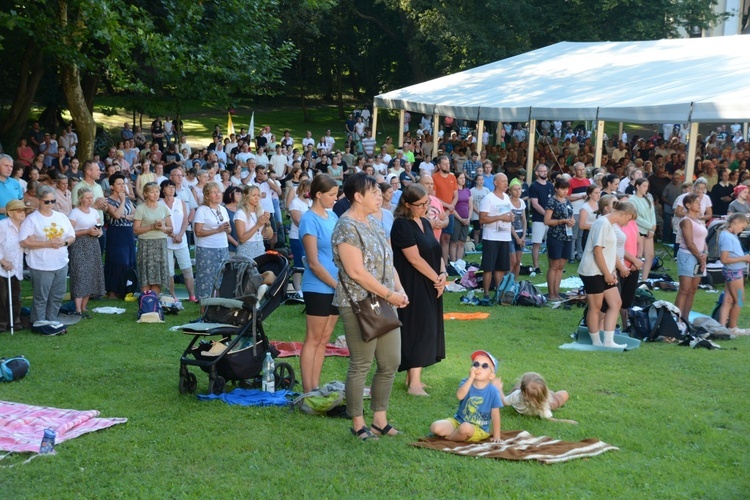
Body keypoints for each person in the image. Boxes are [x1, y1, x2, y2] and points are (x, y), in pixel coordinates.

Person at [332, 172, 409, 441]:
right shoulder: (346, 226)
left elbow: (389, 262)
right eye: (374, 191)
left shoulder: (375, 223)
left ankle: (380, 421)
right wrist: (390, 294)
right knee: (361, 364)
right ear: (357, 196)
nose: (380, 195)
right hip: (359, 304)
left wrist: (398, 289)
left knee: (390, 362)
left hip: (385, 300)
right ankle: (357, 423)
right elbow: (356, 272)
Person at [391, 184, 446, 397]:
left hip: (432, 282)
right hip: (414, 284)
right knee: (418, 329)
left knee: (429, 327)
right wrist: (436, 279)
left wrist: (442, 275)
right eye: (421, 204)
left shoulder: (424, 222)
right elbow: (414, 258)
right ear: (407, 204)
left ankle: (414, 379)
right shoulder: (401, 225)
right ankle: (413, 383)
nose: (425, 207)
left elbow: (435, 249)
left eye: (427, 203)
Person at [299, 174, 340, 393]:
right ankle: (308, 390)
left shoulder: (332, 216)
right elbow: (313, 263)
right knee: (313, 339)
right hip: (318, 287)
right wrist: (335, 285)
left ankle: (316, 386)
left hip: (335, 285)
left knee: (324, 339)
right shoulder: (309, 219)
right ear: (318, 194)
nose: (335, 199)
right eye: (331, 195)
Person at [578, 199, 637, 348]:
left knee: (616, 302)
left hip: (604, 271)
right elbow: (597, 251)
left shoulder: (609, 225)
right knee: (596, 307)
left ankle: (609, 341)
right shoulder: (602, 223)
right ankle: (596, 341)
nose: (626, 223)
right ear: (624, 214)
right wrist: (607, 273)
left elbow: (609, 252)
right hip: (593, 271)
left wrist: (612, 270)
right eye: (628, 219)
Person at [19, 185, 76, 323]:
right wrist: (46, 244)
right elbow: (23, 242)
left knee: (57, 295)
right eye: (47, 201)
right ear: (39, 200)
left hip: (61, 262)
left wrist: (63, 242)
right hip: (40, 264)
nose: (50, 204)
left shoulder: (61, 217)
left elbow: (71, 236)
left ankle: (51, 320)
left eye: (53, 201)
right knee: (41, 297)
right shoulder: (32, 219)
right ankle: (38, 322)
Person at [429, 350, 502, 443]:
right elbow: (459, 396)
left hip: (478, 429)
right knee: (435, 427)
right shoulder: (466, 382)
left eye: (484, 366)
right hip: (458, 422)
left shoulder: (493, 391)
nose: (479, 367)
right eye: (476, 364)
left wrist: (497, 436)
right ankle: (456, 436)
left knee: (465, 428)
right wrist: (471, 378)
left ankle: (447, 440)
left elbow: (495, 415)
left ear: (491, 376)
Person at [68, 188, 105, 317]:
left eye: (91, 197)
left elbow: (100, 228)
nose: (90, 200)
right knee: (80, 274)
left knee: (91, 273)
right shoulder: (74, 213)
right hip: (79, 245)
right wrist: (86, 232)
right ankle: (77, 308)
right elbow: (70, 232)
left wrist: (98, 233)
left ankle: (84, 306)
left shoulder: (94, 212)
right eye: (87, 198)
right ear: (80, 199)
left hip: (93, 245)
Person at [478, 173, 513, 305]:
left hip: (504, 236)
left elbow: (507, 213)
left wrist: (510, 217)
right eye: (503, 181)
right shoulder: (488, 198)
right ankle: (486, 293)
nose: (506, 184)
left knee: (501, 267)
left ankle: (498, 293)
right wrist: (500, 218)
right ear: (495, 183)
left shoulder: (506, 198)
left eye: (507, 181)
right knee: (488, 267)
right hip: (491, 237)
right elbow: (482, 219)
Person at [133, 182, 172, 295]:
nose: (155, 194)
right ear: (145, 194)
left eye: (157, 192)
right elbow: (136, 230)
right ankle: (145, 301)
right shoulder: (141, 209)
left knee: (158, 273)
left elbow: (171, 229)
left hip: (160, 243)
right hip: (145, 243)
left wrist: (163, 228)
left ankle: (154, 301)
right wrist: (152, 227)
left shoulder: (164, 208)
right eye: (152, 192)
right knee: (145, 272)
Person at [193, 182, 230, 302]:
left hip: (223, 247)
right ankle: (204, 305)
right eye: (214, 192)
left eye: (218, 192)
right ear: (207, 196)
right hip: (207, 248)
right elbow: (198, 232)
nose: (217, 194)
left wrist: (227, 229)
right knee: (206, 278)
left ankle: (218, 303)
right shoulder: (202, 210)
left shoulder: (223, 209)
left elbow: (228, 231)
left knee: (222, 277)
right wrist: (217, 230)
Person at [160, 180, 196, 301]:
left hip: (181, 239)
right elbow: (160, 223)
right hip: (166, 240)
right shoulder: (160, 204)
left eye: (173, 187)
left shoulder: (180, 202)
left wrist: (180, 235)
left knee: (187, 267)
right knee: (170, 270)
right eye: (168, 187)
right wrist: (172, 235)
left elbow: (186, 220)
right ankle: (172, 295)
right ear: (163, 189)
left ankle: (192, 295)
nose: (171, 189)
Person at [675, 193, 708, 322]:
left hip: (699, 256)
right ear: (688, 205)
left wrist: (705, 253)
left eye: (699, 202)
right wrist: (700, 256)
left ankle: (685, 318)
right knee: (684, 289)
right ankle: (676, 320)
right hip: (688, 256)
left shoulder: (699, 221)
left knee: (693, 290)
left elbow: (702, 239)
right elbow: (689, 242)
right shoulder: (686, 221)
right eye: (696, 202)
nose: (699, 204)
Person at [0, 200, 31, 331]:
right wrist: (2, 260)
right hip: (2, 266)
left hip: (16, 266)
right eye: (19, 210)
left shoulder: (25, 226)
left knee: (15, 296)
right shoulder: (2, 225)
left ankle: (15, 320)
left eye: (23, 210)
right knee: (1, 296)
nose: (22, 213)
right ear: (10, 213)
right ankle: (2, 323)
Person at [496, 372, 575, 424]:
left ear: (522, 391)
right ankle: (549, 393)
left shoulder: (516, 395)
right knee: (564, 393)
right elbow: (549, 419)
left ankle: (521, 386)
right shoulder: (543, 405)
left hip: (522, 396)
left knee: (516, 389)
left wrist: (499, 388)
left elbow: (503, 402)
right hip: (547, 401)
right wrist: (566, 421)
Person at [104, 173, 136, 299]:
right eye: (119, 184)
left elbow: (136, 215)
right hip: (116, 233)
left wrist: (125, 215)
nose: (122, 186)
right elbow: (116, 215)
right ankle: (113, 291)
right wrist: (122, 202)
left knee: (128, 260)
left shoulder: (128, 200)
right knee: (118, 260)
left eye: (123, 183)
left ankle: (125, 289)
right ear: (112, 186)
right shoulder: (108, 201)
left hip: (128, 232)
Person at [718, 213, 750, 335]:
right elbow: (724, 259)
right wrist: (744, 258)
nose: (741, 230)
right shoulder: (727, 237)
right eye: (742, 227)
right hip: (734, 272)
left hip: (733, 270)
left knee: (728, 299)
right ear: (735, 222)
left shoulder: (730, 234)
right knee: (740, 300)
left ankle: (721, 327)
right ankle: (733, 327)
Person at [544, 178, 574, 301]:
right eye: (562, 188)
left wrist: (572, 221)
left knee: (561, 266)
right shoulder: (552, 202)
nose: (565, 191)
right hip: (555, 236)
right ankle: (551, 293)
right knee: (554, 265)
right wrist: (561, 221)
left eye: (566, 189)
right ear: (556, 189)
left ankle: (557, 292)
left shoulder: (567, 202)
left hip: (567, 236)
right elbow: (547, 221)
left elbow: (570, 216)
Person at [529, 164, 554, 274]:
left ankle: (552, 266)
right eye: (542, 171)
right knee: (537, 243)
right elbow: (535, 204)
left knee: (551, 243)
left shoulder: (550, 186)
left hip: (550, 219)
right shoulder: (534, 186)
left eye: (545, 170)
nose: (544, 172)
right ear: (537, 173)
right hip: (538, 219)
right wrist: (546, 214)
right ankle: (536, 266)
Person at [288, 179, 312, 296]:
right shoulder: (295, 203)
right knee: (298, 261)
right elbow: (297, 220)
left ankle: (307, 285)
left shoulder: (311, 202)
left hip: (310, 236)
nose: (308, 192)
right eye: (307, 189)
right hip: (297, 236)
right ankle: (297, 288)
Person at [235, 185, 271, 259]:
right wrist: (257, 225)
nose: (257, 198)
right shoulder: (240, 213)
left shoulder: (261, 212)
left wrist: (267, 223)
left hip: (260, 248)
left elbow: (269, 236)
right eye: (253, 195)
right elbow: (242, 238)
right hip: (246, 251)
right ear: (245, 196)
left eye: (258, 195)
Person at [631, 177, 657, 281]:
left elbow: (652, 214)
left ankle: (644, 279)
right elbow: (636, 216)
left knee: (650, 256)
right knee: (638, 255)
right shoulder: (632, 200)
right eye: (644, 186)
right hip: (640, 230)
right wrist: (649, 226)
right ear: (637, 186)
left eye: (647, 186)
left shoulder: (648, 198)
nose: (646, 188)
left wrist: (652, 229)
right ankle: (635, 278)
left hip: (649, 230)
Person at [449, 172, 472, 263]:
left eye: (464, 178)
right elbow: (452, 207)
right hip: (456, 218)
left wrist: (468, 218)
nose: (463, 180)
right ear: (456, 179)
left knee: (462, 241)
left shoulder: (467, 191)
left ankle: (459, 262)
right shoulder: (453, 191)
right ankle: (453, 262)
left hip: (466, 218)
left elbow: (470, 206)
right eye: (461, 178)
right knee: (454, 241)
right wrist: (460, 219)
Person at [508, 178, 527, 277]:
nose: (517, 191)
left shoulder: (522, 202)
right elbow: (509, 223)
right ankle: (507, 282)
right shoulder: (508, 202)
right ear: (510, 191)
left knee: (518, 261)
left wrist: (523, 236)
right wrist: (517, 238)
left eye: (519, 189)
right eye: (515, 189)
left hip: (520, 233)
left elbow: (524, 220)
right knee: (513, 260)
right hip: (511, 234)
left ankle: (514, 282)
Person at [577, 184, 601, 251]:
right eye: (596, 193)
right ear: (590, 195)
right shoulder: (585, 207)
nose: (598, 195)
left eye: (599, 192)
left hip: (599, 233)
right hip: (588, 234)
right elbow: (581, 225)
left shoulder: (599, 205)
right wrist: (596, 225)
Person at [0, 154, 23, 220]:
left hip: (15, 224)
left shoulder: (15, 183)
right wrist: (2, 210)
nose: (9, 169)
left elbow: (21, 201)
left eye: (11, 166)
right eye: (6, 166)